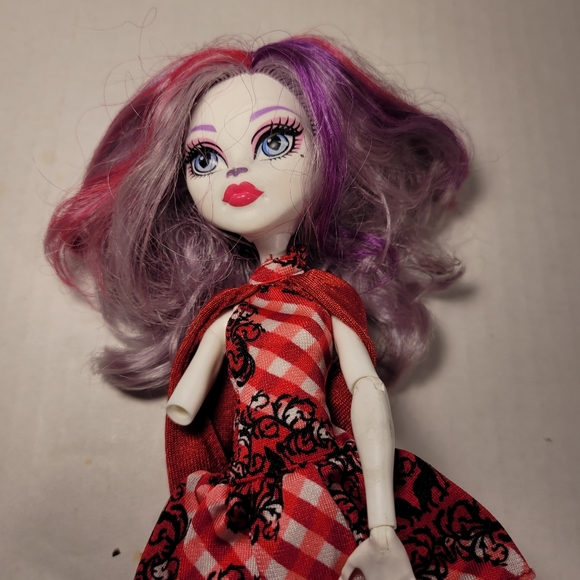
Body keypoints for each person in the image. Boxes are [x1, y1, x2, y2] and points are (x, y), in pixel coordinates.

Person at [45, 36, 535, 580]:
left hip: (325, 476)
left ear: (331, 151)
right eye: (205, 158)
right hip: (249, 492)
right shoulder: (227, 314)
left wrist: (383, 526)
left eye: (275, 141)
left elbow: (367, 392)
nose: (236, 173)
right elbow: (184, 407)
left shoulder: (324, 298)